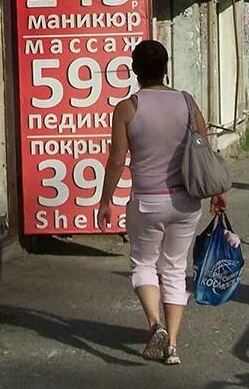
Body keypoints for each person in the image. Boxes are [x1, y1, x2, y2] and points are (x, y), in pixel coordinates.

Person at [96, 40, 228, 366]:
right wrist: (217, 191)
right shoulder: (186, 102)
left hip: (147, 203)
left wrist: (105, 200)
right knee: (174, 267)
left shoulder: (127, 108)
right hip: (186, 201)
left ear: (134, 70)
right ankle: (172, 345)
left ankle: (154, 324)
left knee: (143, 264)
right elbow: (203, 149)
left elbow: (116, 161)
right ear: (166, 67)